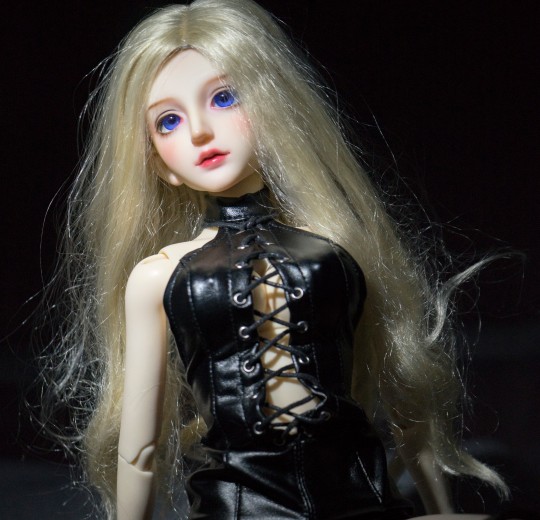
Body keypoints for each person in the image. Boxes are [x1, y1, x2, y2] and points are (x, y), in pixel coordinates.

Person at [41, 1, 509, 518]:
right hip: (242, 504)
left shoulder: (334, 250)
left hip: (357, 495)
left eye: (224, 97)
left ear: (273, 108)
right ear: (159, 164)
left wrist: (441, 510)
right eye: (169, 121)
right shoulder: (161, 276)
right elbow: (139, 451)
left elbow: (406, 402)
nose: (199, 131)